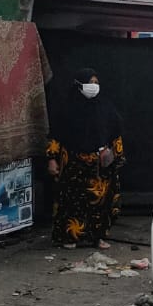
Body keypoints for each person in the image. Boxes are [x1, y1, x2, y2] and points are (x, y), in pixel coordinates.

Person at [46, 67, 125, 250]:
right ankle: (70, 237)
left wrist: (115, 155)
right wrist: (52, 159)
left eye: (96, 83)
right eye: (90, 83)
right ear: (79, 85)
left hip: (99, 166)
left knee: (100, 203)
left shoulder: (105, 107)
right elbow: (56, 136)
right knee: (72, 202)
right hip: (73, 165)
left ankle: (98, 237)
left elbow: (116, 133)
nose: (94, 86)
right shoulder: (67, 110)